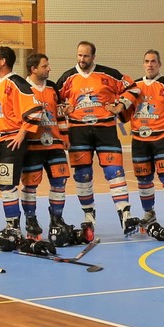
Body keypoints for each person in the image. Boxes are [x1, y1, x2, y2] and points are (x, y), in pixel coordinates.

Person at [0, 46, 49, 246]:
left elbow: (35, 110)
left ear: (3, 61)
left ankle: (12, 225)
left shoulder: (17, 83)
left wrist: (22, 133)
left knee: (6, 185)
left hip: (9, 141)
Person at [57, 41, 134, 235]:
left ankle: (125, 214)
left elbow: (134, 89)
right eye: (79, 55)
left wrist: (120, 106)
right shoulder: (67, 78)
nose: (82, 59)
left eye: (86, 56)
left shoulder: (109, 74)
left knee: (115, 171)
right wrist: (63, 109)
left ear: (93, 57)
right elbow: (53, 100)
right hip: (78, 132)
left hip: (105, 130)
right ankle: (88, 215)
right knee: (83, 175)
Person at [125, 51, 164, 233]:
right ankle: (149, 213)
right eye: (147, 61)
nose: (150, 64)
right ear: (143, 64)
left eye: (153, 61)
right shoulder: (135, 86)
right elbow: (125, 111)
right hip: (139, 140)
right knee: (143, 180)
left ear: (159, 64)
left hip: (163, 139)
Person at [20, 53, 71, 239]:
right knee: (30, 185)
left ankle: (56, 219)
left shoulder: (52, 88)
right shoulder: (22, 88)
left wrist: (64, 135)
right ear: (33, 69)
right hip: (32, 146)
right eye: (45, 66)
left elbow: (59, 114)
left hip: (55, 145)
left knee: (60, 182)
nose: (49, 68)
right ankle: (31, 220)